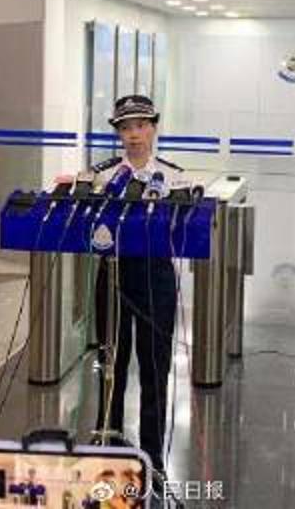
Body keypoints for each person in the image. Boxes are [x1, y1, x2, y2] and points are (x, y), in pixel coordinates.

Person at [93, 95, 183, 474]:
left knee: (155, 367)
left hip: (156, 276)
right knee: (111, 363)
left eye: (141, 126)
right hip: (114, 273)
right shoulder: (103, 176)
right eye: (126, 128)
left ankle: (153, 457)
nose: (133, 134)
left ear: (153, 128)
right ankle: (108, 443)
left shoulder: (175, 177)